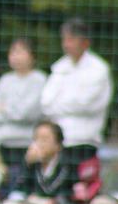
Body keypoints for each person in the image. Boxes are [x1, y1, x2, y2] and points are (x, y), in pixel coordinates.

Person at [40, 18, 112, 171]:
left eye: (71, 39)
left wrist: (59, 104)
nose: (66, 44)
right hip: (58, 143)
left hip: (84, 141)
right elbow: (46, 102)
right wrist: (69, 103)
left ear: (85, 42)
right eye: (64, 39)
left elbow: (85, 104)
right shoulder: (59, 67)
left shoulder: (99, 69)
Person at [0, 38, 46, 174]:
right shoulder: (4, 80)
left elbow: (26, 113)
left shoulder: (39, 80)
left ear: (32, 56)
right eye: (12, 52)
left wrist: (4, 108)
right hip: (2, 142)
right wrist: (12, 110)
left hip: (27, 142)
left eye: (20, 52)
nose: (15, 56)